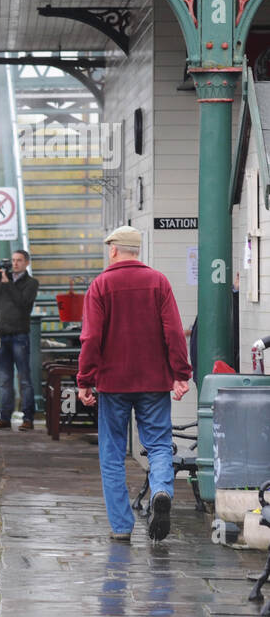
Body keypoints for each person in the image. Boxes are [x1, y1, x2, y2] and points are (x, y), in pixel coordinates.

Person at [76, 225, 192, 543]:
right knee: (157, 444)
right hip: (154, 381)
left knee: (112, 451)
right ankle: (162, 491)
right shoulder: (158, 282)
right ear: (136, 250)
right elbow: (173, 332)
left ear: (114, 250)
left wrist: (85, 379)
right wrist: (181, 373)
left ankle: (121, 527)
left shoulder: (100, 286)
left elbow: (91, 338)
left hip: (113, 383)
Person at [0, 249, 39, 431]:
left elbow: (23, 304)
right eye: (13, 260)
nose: (15, 264)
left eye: (19, 261)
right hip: (4, 335)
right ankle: (4, 417)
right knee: (4, 380)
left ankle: (28, 419)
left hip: (20, 336)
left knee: (24, 379)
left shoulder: (31, 283)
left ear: (26, 263)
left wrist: (7, 284)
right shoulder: (2, 281)